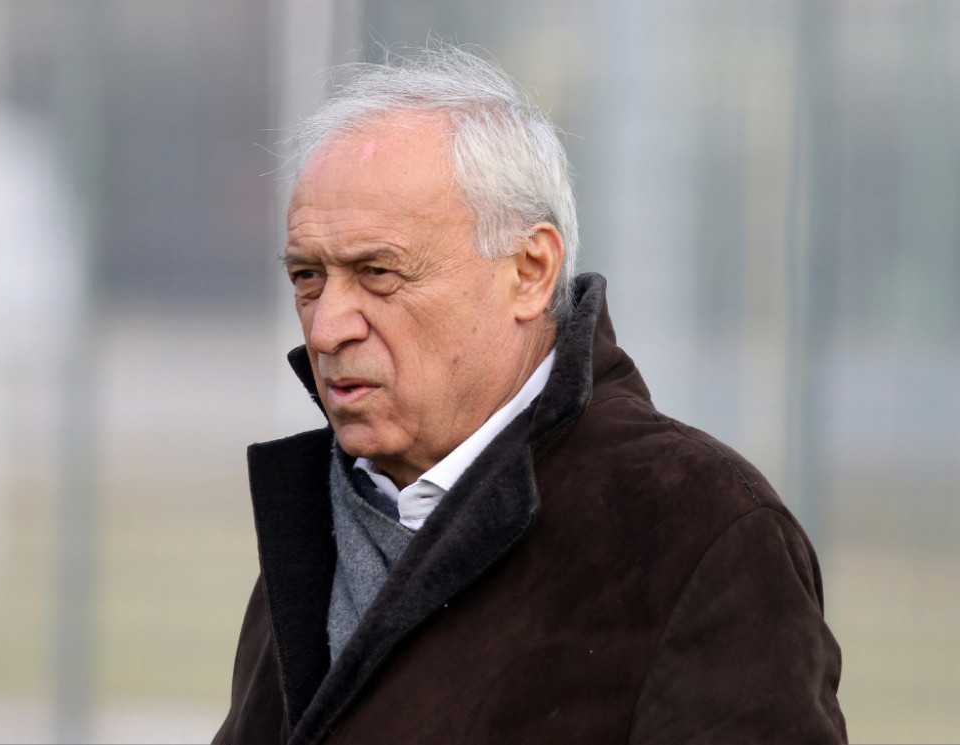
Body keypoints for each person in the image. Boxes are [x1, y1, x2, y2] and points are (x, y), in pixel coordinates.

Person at [214, 45, 847, 745]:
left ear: (529, 271)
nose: (327, 326)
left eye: (378, 273)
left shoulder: (696, 531)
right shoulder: (316, 523)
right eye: (307, 276)